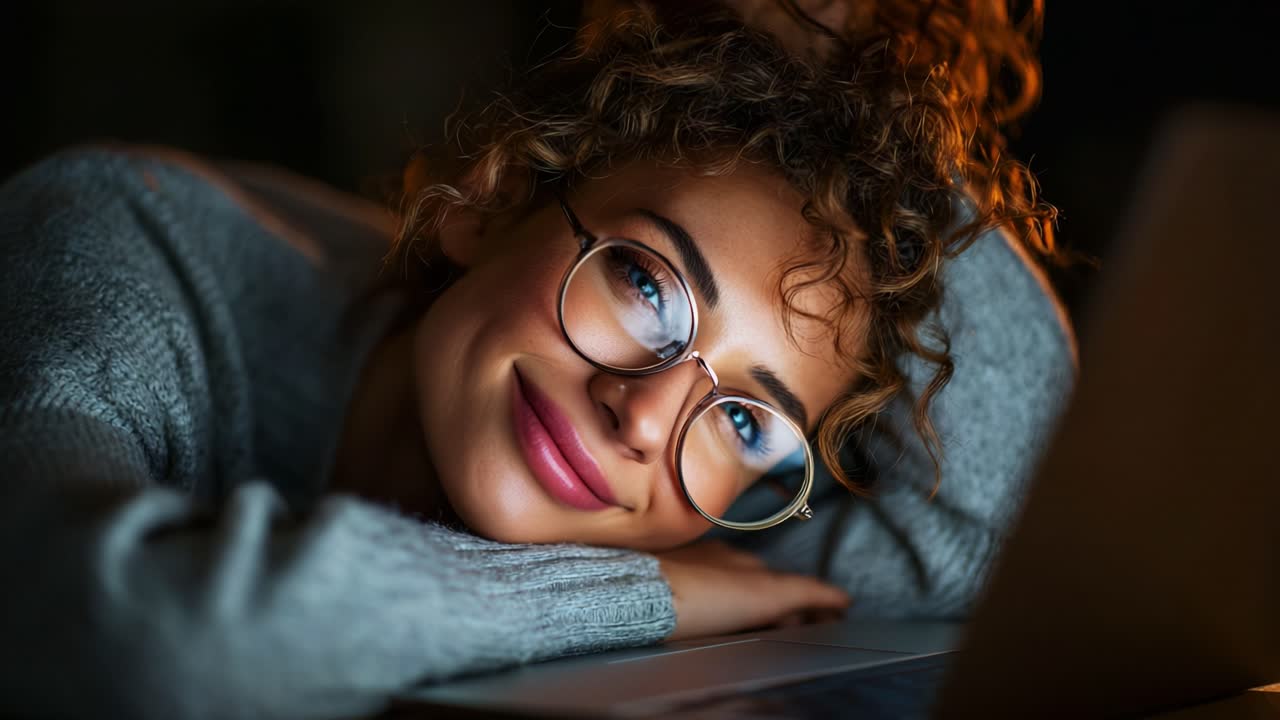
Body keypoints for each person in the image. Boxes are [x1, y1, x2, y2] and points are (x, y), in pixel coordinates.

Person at [0, 2, 1074, 718]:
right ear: (492, 199)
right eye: (647, 286)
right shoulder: (120, 246)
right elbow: (131, 634)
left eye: (746, 419)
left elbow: (1006, 535)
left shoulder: (710, 527)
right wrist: (634, 594)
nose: (645, 419)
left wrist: (844, 68)